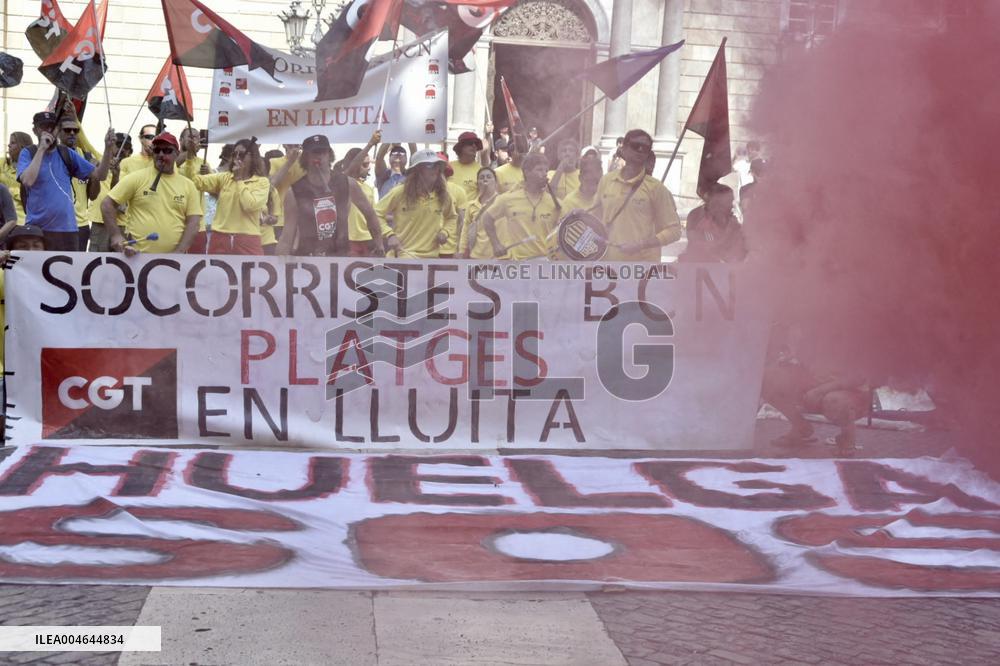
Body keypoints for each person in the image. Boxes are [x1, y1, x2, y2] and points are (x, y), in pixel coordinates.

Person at [761, 324, 869, 456]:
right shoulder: (811, 330)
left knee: (835, 400)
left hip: (850, 397)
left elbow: (859, 378)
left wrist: (821, 390)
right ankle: (800, 427)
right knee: (768, 378)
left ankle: (847, 437)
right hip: (812, 392)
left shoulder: (855, 331)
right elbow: (802, 365)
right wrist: (787, 362)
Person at [17, 111, 114, 251]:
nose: (49, 131)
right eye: (44, 127)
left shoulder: (66, 153)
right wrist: (41, 149)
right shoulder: (28, 152)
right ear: (35, 130)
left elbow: (99, 175)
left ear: (57, 130)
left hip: (67, 229)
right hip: (37, 229)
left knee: (67, 272)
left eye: (53, 127)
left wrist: (108, 149)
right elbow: (27, 180)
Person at [276, 134, 382, 257]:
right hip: (307, 258)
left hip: (340, 257)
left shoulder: (347, 184)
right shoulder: (295, 191)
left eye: (323, 152)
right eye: (315, 152)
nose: (319, 156)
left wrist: (379, 245)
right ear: (306, 157)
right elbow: (287, 236)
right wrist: (279, 264)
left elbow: (370, 214)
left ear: (329, 154)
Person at [587, 128, 681, 263]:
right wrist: (579, 216)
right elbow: (595, 215)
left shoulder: (657, 188)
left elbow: (674, 230)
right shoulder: (606, 180)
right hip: (608, 263)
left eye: (646, 148)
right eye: (636, 146)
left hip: (642, 268)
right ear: (623, 148)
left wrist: (641, 245)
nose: (640, 150)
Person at [104, 132, 202, 255]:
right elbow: (107, 203)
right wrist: (116, 235)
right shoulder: (137, 177)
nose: (161, 154)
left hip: (174, 260)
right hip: (136, 258)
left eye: (167, 150)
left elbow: (193, 221)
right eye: (157, 150)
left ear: (177, 153)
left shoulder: (188, 185)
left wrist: (179, 252)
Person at [192, 138, 270, 255]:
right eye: (234, 154)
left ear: (253, 157)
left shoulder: (262, 182)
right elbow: (194, 181)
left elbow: (250, 205)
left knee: (250, 273)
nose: (237, 157)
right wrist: (189, 157)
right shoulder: (224, 177)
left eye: (242, 154)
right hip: (220, 237)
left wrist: (239, 180)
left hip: (247, 239)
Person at [481, 152, 561, 261]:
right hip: (517, 265)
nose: (544, 174)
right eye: (539, 170)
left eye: (546, 170)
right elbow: (487, 218)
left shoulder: (555, 202)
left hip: (546, 263)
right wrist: (496, 244)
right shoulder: (507, 199)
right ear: (527, 172)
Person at [376, 149, 455, 258]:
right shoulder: (400, 192)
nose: (436, 169)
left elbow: (452, 217)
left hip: (432, 259)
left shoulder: (443, 195)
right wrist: (389, 235)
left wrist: (445, 232)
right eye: (429, 165)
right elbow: (375, 213)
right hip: (403, 257)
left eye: (437, 165)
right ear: (417, 170)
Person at [680, 183, 747, 263]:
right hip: (701, 265)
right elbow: (697, 245)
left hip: (727, 267)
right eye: (729, 202)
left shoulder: (732, 222)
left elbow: (739, 248)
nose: (732, 206)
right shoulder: (697, 217)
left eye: (731, 201)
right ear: (717, 204)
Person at [87, 132, 131, 252]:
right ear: (111, 146)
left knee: (122, 263)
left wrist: (116, 176)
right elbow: (84, 143)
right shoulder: (101, 161)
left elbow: (119, 200)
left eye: (126, 148)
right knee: (96, 262)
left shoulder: (131, 170)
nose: (122, 150)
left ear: (130, 152)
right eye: (119, 145)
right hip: (99, 221)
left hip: (122, 225)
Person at [457, 166, 505, 259]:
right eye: (482, 177)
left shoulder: (504, 202)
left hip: (499, 257)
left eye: (489, 177)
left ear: (496, 182)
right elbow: (465, 230)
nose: (485, 179)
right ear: (478, 183)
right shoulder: (471, 206)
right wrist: (462, 251)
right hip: (476, 257)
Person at [338, 145, 378, 256]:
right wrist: (371, 143)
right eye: (365, 164)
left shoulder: (369, 189)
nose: (369, 167)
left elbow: (374, 214)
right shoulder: (342, 183)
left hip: (369, 239)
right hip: (349, 239)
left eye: (369, 164)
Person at [448, 130, 489, 201]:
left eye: (476, 144)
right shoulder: (449, 166)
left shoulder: (481, 171)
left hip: (471, 211)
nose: (474, 146)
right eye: (470, 143)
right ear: (461, 147)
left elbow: (486, 196)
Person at [1, 132, 33, 222]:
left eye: (13, 142)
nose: (8, 145)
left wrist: (10, 191)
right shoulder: (2, 163)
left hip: (22, 220)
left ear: (22, 147)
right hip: (3, 218)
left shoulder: (31, 169)